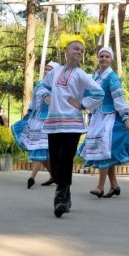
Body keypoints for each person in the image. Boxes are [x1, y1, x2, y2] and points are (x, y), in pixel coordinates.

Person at [40, 39, 104, 217]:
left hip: (72, 125)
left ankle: (59, 197)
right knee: (55, 160)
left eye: (82, 50)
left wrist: (82, 104)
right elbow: (42, 87)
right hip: (53, 124)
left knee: (65, 159)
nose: (79, 52)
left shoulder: (82, 75)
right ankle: (66, 197)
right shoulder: (55, 72)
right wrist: (46, 98)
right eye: (76, 48)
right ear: (66, 51)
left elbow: (99, 92)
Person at [80, 47, 129, 198]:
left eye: (107, 56)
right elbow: (87, 94)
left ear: (111, 59)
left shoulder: (112, 77)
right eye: (101, 56)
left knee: (104, 149)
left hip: (111, 118)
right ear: (98, 58)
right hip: (97, 117)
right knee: (106, 152)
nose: (104, 59)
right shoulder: (95, 76)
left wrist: (126, 117)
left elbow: (118, 98)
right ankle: (114, 186)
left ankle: (100, 187)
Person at [13, 61, 58, 188]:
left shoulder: (56, 87)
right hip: (35, 120)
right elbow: (33, 101)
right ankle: (54, 176)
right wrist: (28, 111)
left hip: (47, 122)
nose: (47, 71)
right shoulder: (39, 85)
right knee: (41, 151)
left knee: (40, 149)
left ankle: (31, 177)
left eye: (50, 69)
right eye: (46, 69)